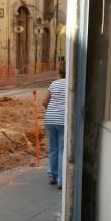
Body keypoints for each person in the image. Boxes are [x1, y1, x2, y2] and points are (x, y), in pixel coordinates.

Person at [42, 61, 66, 189]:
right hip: (63, 120)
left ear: (59, 72)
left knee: (53, 148)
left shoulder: (54, 84)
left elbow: (44, 102)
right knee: (62, 150)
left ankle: (52, 174)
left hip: (50, 119)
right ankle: (61, 181)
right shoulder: (70, 84)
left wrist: (51, 111)